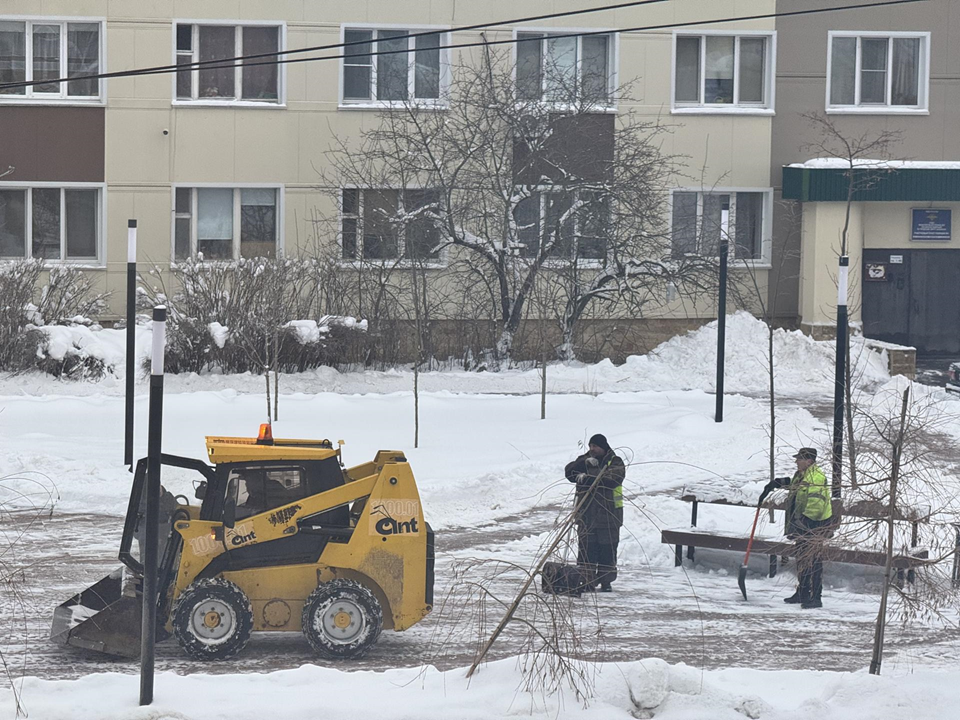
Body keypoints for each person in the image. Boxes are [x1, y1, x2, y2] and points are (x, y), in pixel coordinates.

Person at [758, 447, 833, 609]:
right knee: (802, 559)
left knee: (814, 561)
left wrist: (805, 522)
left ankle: (815, 597)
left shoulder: (816, 477)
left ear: (809, 461)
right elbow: (795, 486)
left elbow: (816, 503)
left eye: (799, 459)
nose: (796, 461)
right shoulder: (802, 476)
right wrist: (777, 483)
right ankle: (803, 593)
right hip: (802, 525)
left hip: (814, 525)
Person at [564, 434, 625, 592]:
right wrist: (583, 464)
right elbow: (569, 472)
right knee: (586, 549)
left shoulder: (615, 461)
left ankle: (606, 581)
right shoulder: (584, 460)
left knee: (608, 549)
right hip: (586, 515)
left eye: (595, 446)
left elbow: (611, 480)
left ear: (603, 447)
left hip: (609, 515)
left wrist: (588, 478)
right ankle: (586, 581)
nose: (592, 449)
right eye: (590, 446)